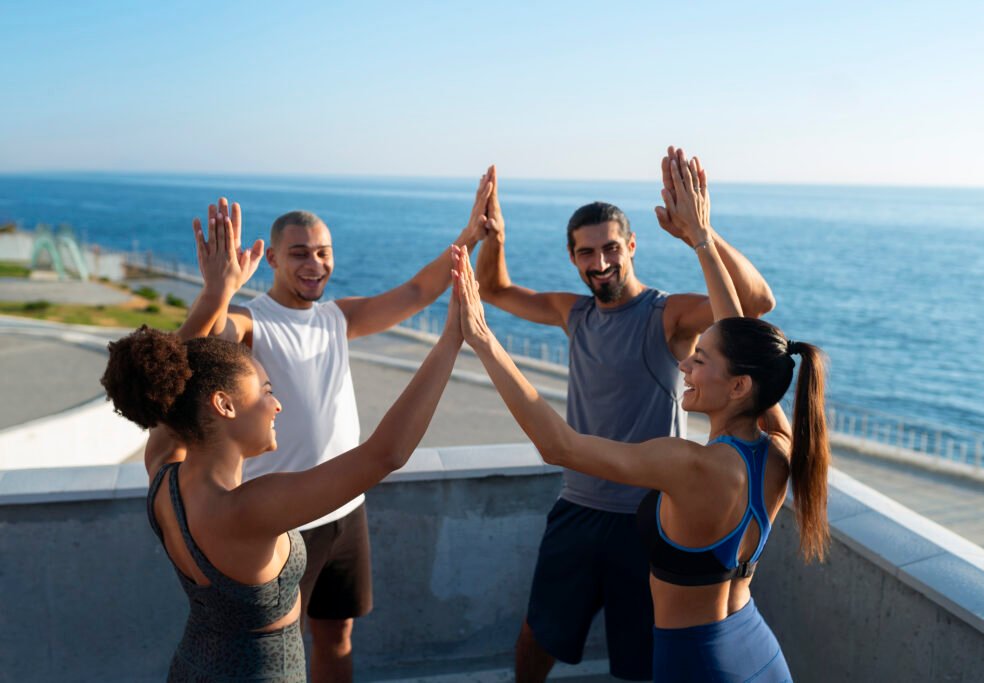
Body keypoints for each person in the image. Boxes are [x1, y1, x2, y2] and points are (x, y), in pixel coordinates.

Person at [452, 148, 830, 682]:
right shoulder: (779, 449)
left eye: (700, 360)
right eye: (587, 252)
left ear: (632, 246)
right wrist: (496, 238)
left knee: (638, 661)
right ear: (573, 257)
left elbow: (754, 305)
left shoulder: (666, 320)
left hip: (654, 514)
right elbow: (495, 289)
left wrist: (706, 234)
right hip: (747, 643)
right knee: (538, 634)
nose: (688, 365)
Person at [100, 207, 467, 681]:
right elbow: (386, 454)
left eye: (322, 252)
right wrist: (453, 338)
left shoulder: (162, 469)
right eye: (267, 391)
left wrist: (215, 289)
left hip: (195, 665)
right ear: (224, 404)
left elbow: (172, 386)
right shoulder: (253, 510)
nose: (277, 405)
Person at [185, 176, 491, 681]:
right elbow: (199, 347)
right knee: (278, 647)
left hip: (346, 510)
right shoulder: (248, 322)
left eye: (324, 253)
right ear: (274, 260)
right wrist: (217, 291)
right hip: (283, 517)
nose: (314, 264)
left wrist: (469, 235)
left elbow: (417, 289)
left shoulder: (337, 317)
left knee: (338, 634)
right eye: (300, 253)